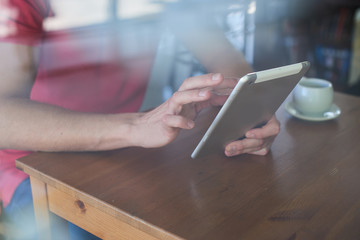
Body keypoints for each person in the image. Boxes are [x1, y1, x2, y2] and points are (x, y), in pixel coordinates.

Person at [0, 0, 280, 239]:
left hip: (125, 151)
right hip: (32, 163)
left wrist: (251, 104)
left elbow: (220, 53)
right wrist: (134, 126)